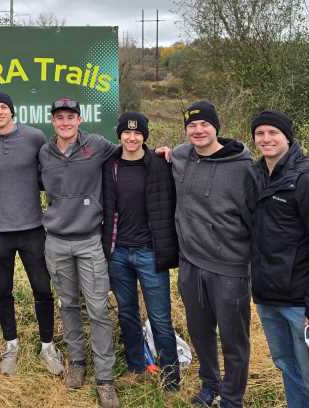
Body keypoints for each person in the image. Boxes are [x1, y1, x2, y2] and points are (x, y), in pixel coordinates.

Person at [250, 111, 309, 408]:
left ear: (288, 137)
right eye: (260, 133)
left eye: (273, 133)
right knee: (287, 368)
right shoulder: (257, 175)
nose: (266, 139)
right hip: (268, 297)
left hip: (301, 304)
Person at [0, 91, 62, 376]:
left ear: (12, 111)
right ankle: (11, 345)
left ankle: (48, 346)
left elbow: (52, 169)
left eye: (4, 107)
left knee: (43, 289)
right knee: (2, 291)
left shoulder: (34, 137)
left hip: (33, 228)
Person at [170, 100, 254, 408]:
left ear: (215, 127)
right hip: (190, 263)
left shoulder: (242, 166)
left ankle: (232, 398)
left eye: (204, 124)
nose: (198, 130)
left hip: (229, 268)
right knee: (200, 331)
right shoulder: (181, 157)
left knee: (234, 339)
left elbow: (254, 218)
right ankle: (210, 385)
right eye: (191, 125)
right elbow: (166, 159)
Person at [38, 97, 120, 408]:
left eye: (70, 116)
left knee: (98, 309)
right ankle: (77, 364)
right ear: (53, 122)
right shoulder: (44, 152)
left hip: (89, 240)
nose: (65, 122)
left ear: (79, 120)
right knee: (69, 304)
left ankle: (105, 378)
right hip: (56, 241)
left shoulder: (97, 145)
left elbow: (130, 153)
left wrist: (167, 153)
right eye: (59, 117)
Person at [102, 111, 181, 393]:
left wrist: (173, 153)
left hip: (150, 253)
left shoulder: (161, 164)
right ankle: (136, 365)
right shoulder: (109, 165)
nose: (132, 137)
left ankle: (171, 377)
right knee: (127, 313)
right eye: (127, 132)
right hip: (119, 253)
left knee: (160, 317)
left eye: (137, 133)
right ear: (120, 135)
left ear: (144, 136)